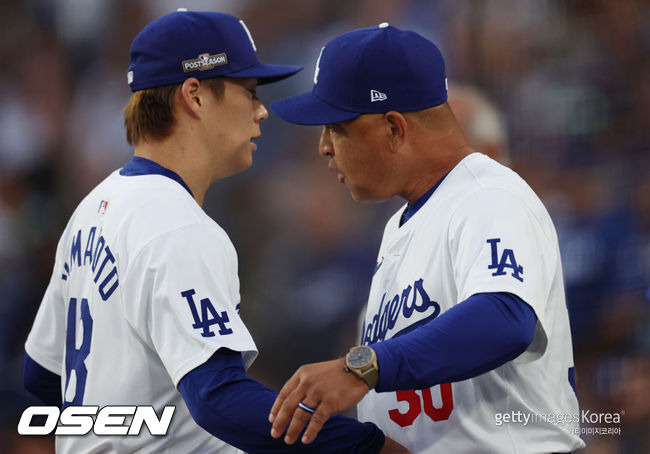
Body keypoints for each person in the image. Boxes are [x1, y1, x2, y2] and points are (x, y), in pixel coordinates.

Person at [22, 10, 407, 454]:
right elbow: (219, 398)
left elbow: (43, 377)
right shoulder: (176, 225)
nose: (262, 110)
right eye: (248, 92)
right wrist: (364, 446)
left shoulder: (92, 209)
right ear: (196, 96)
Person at [268, 23, 586, 453]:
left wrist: (360, 368)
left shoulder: (488, 193)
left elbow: (505, 318)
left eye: (336, 127)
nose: (324, 146)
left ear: (394, 128)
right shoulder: (403, 224)